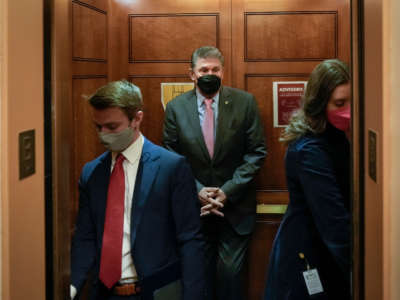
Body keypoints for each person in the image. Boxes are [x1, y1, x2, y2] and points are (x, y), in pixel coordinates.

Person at [70, 80, 206, 300]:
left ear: (137, 119)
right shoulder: (91, 173)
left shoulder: (171, 167)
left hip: (156, 292)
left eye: (112, 127)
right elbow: (85, 236)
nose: (104, 134)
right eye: (98, 127)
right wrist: (73, 285)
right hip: (104, 293)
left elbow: (190, 239)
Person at [163, 46, 267, 300]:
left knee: (230, 278)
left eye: (215, 69)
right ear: (192, 74)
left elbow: (256, 152)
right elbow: (171, 156)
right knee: (197, 281)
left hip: (235, 210)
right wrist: (198, 190)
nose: (210, 74)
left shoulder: (245, 102)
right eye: (204, 70)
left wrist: (226, 192)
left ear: (223, 71)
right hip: (193, 210)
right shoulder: (175, 108)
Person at [264, 59, 351, 300]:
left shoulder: (336, 135)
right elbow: (334, 223)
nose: (349, 110)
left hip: (323, 251)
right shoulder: (309, 149)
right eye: (340, 103)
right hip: (308, 254)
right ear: (320, 103)